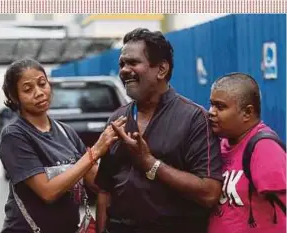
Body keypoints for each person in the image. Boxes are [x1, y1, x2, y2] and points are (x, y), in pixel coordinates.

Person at [94, 28, 224, 233]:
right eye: (122, 64)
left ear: (161, 69)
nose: (124, 70)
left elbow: (209, 193)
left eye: (133, 63)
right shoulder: (117, 119)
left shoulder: (193, 119)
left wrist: (150, 163)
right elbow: (104, 189)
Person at [0, 58, 122, 233]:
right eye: (28, 89)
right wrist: (94, 152)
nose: (39, 92)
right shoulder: (15, 135)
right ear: (14, 97)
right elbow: (48, 192)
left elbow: (98, 182)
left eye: (42, 84)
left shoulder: (66, 132)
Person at [207, 72, 286, 233]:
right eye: (212, 104)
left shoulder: (264, 148)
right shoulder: (220, 145)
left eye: (220, 107)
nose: (211, 112)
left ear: (247, 113)